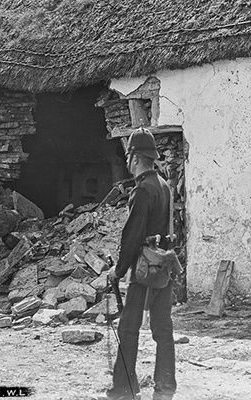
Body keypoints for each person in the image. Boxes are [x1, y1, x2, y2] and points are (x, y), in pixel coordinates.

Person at [106, 129, 176, 400]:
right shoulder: (164, 185)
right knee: (163, 329)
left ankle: (123, 388)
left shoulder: (143, 190)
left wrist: (118, 270)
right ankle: (166, 387)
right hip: (165, 267)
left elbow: (132, 237)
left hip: (145, 269)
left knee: (128, 328)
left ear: (134, 158)